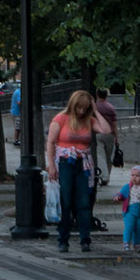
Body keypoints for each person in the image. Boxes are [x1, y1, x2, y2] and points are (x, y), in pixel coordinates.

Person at [45, 89, 112, 252]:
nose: (81, 111)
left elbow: (106, 130)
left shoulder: (89, 120)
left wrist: (96, 110)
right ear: (73, 105)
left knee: (83, 203)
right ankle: (63, 240)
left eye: (85, 108)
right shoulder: (61, 119)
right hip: (65, 162)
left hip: (83, 164)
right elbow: (51, 142)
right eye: (79, 108)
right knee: (65, 201)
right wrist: (51, 166)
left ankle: (85, 240)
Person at [114, 165, 140, 252]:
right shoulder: (128, 187)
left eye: (137, 176)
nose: (134, 178)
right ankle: (126, 242)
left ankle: (136, 244)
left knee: (138, 228)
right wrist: (117, 197)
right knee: (129, 227)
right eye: (132, 175)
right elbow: (120, 194)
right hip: (129, 211)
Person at [93, 89, 120, 186]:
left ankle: (104, 176)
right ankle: (107, 178)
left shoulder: (95, 107)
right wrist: (116, 138)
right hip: (110, 135)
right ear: (106, 95)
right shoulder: (111, 107)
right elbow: (114, 125)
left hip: (98, 133)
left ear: (97, 94)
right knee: (108, 157)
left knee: (100, 155)